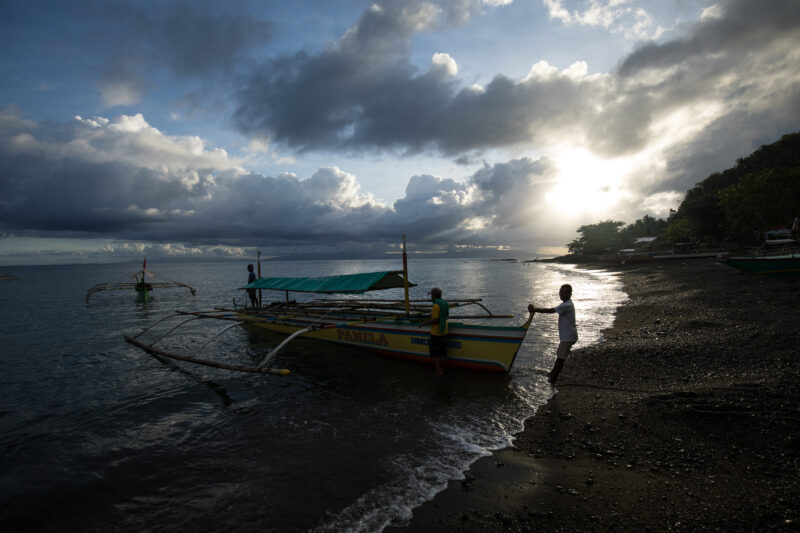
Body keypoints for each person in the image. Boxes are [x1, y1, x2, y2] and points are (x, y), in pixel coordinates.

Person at [528, 284, 577, 383]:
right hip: (568, 336)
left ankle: (553, 378)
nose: (562, 294)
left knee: (560, 358)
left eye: (564, 292)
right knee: (560, 355)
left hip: (568, 337)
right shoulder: (566, 304)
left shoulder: (566, 305)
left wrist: (535, 309)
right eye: (561, 292)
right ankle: (552, 373)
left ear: (570, 294)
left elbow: (550, 311)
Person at [417, 287, 449, 375]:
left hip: (436, 332)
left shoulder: (436, 305)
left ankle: (438, 371)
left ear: (434, 296)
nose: (431, 297)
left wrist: (424, 323)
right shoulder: (445, 303)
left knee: (435, 353)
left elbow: (435, 320)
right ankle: (442, 369)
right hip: (445, 331)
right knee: (443, 353)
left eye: (431, 295)